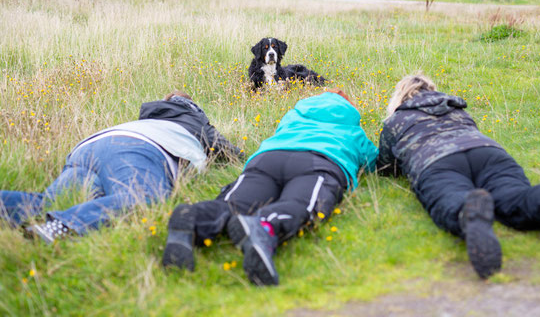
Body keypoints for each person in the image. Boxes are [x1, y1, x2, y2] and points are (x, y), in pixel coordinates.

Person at [377, 74, 540, 279]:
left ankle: (469, 211)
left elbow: (386, 167)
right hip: (488, 153)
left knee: (450, 198)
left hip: (437, 161)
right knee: (516, 198)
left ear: (400, 97)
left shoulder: (396, 120)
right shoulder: (456, 108)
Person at [161, 89, 379, 286]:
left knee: (234, 203)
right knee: (301, 204)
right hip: (319, 162)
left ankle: (195, 217)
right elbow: (374, 161)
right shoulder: (352, 126)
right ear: (349, 107)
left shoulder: (294, 115)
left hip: (268, 158)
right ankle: (264, 225)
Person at [0, 91, 242, 243]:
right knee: (144, 197)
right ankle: (63, 225)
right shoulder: (194, 117)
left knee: (50, 201)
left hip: (89, 147)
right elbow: (229, 153)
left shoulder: (149, 116)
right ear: (194, 107)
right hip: (140, 148)